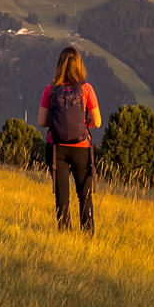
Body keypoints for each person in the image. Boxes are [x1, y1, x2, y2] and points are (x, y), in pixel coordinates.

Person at [40, 42, 102, 232]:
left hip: (56, 147)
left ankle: (64, 234)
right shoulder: (86, 89)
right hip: (81, 146)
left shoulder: (50, 89)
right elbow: (97, 122)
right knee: (84, 194)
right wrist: (83, 125)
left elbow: (42, 122)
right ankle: (87, 234)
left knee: (61, 195)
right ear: (79, 65)